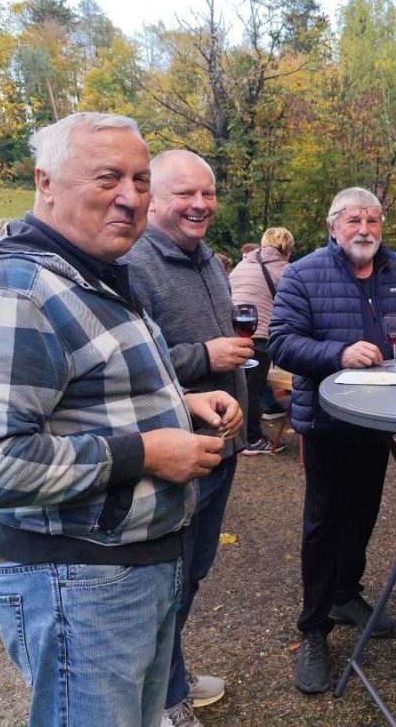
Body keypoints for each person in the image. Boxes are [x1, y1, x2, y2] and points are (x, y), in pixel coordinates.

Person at [0, 112, 242, 727]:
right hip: (77, 586)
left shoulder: (90, 275)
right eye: (107, 177)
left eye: (139, 179)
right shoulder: (15, 291)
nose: (129, 197)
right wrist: (147, 452)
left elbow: (80, 391)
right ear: (45, 181)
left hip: (129, 572)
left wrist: (180, 402)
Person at [267, 186, 396, 694]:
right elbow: (281, 342)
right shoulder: (304, 274)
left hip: (379, 419)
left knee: (363, 512)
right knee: (323, 523)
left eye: (374, 221)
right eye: (355, 221)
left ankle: (346, 594)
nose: (365, 229)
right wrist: (339, 354)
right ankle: (314, 628)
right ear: (333, 225)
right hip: (326, 420)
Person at [121, 149, 251, 727]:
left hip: (218, 447)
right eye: (184, 194)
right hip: (172, 454)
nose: (200, 205)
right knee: (167, 580)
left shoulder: (207, 262)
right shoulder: (134, 264)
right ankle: (165, 699)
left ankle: (169, 675)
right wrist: (204, 355)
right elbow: (127, 367)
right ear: (154, 199)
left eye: (207, 193)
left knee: (192, 572)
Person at [230, 226, 295, 452]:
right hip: (258, 334)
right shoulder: (285, 269)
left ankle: (237, 436)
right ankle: (253, 439)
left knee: (240, 387)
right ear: (286, 248)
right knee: (252, 389)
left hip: (232, 333)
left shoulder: (242, 265)